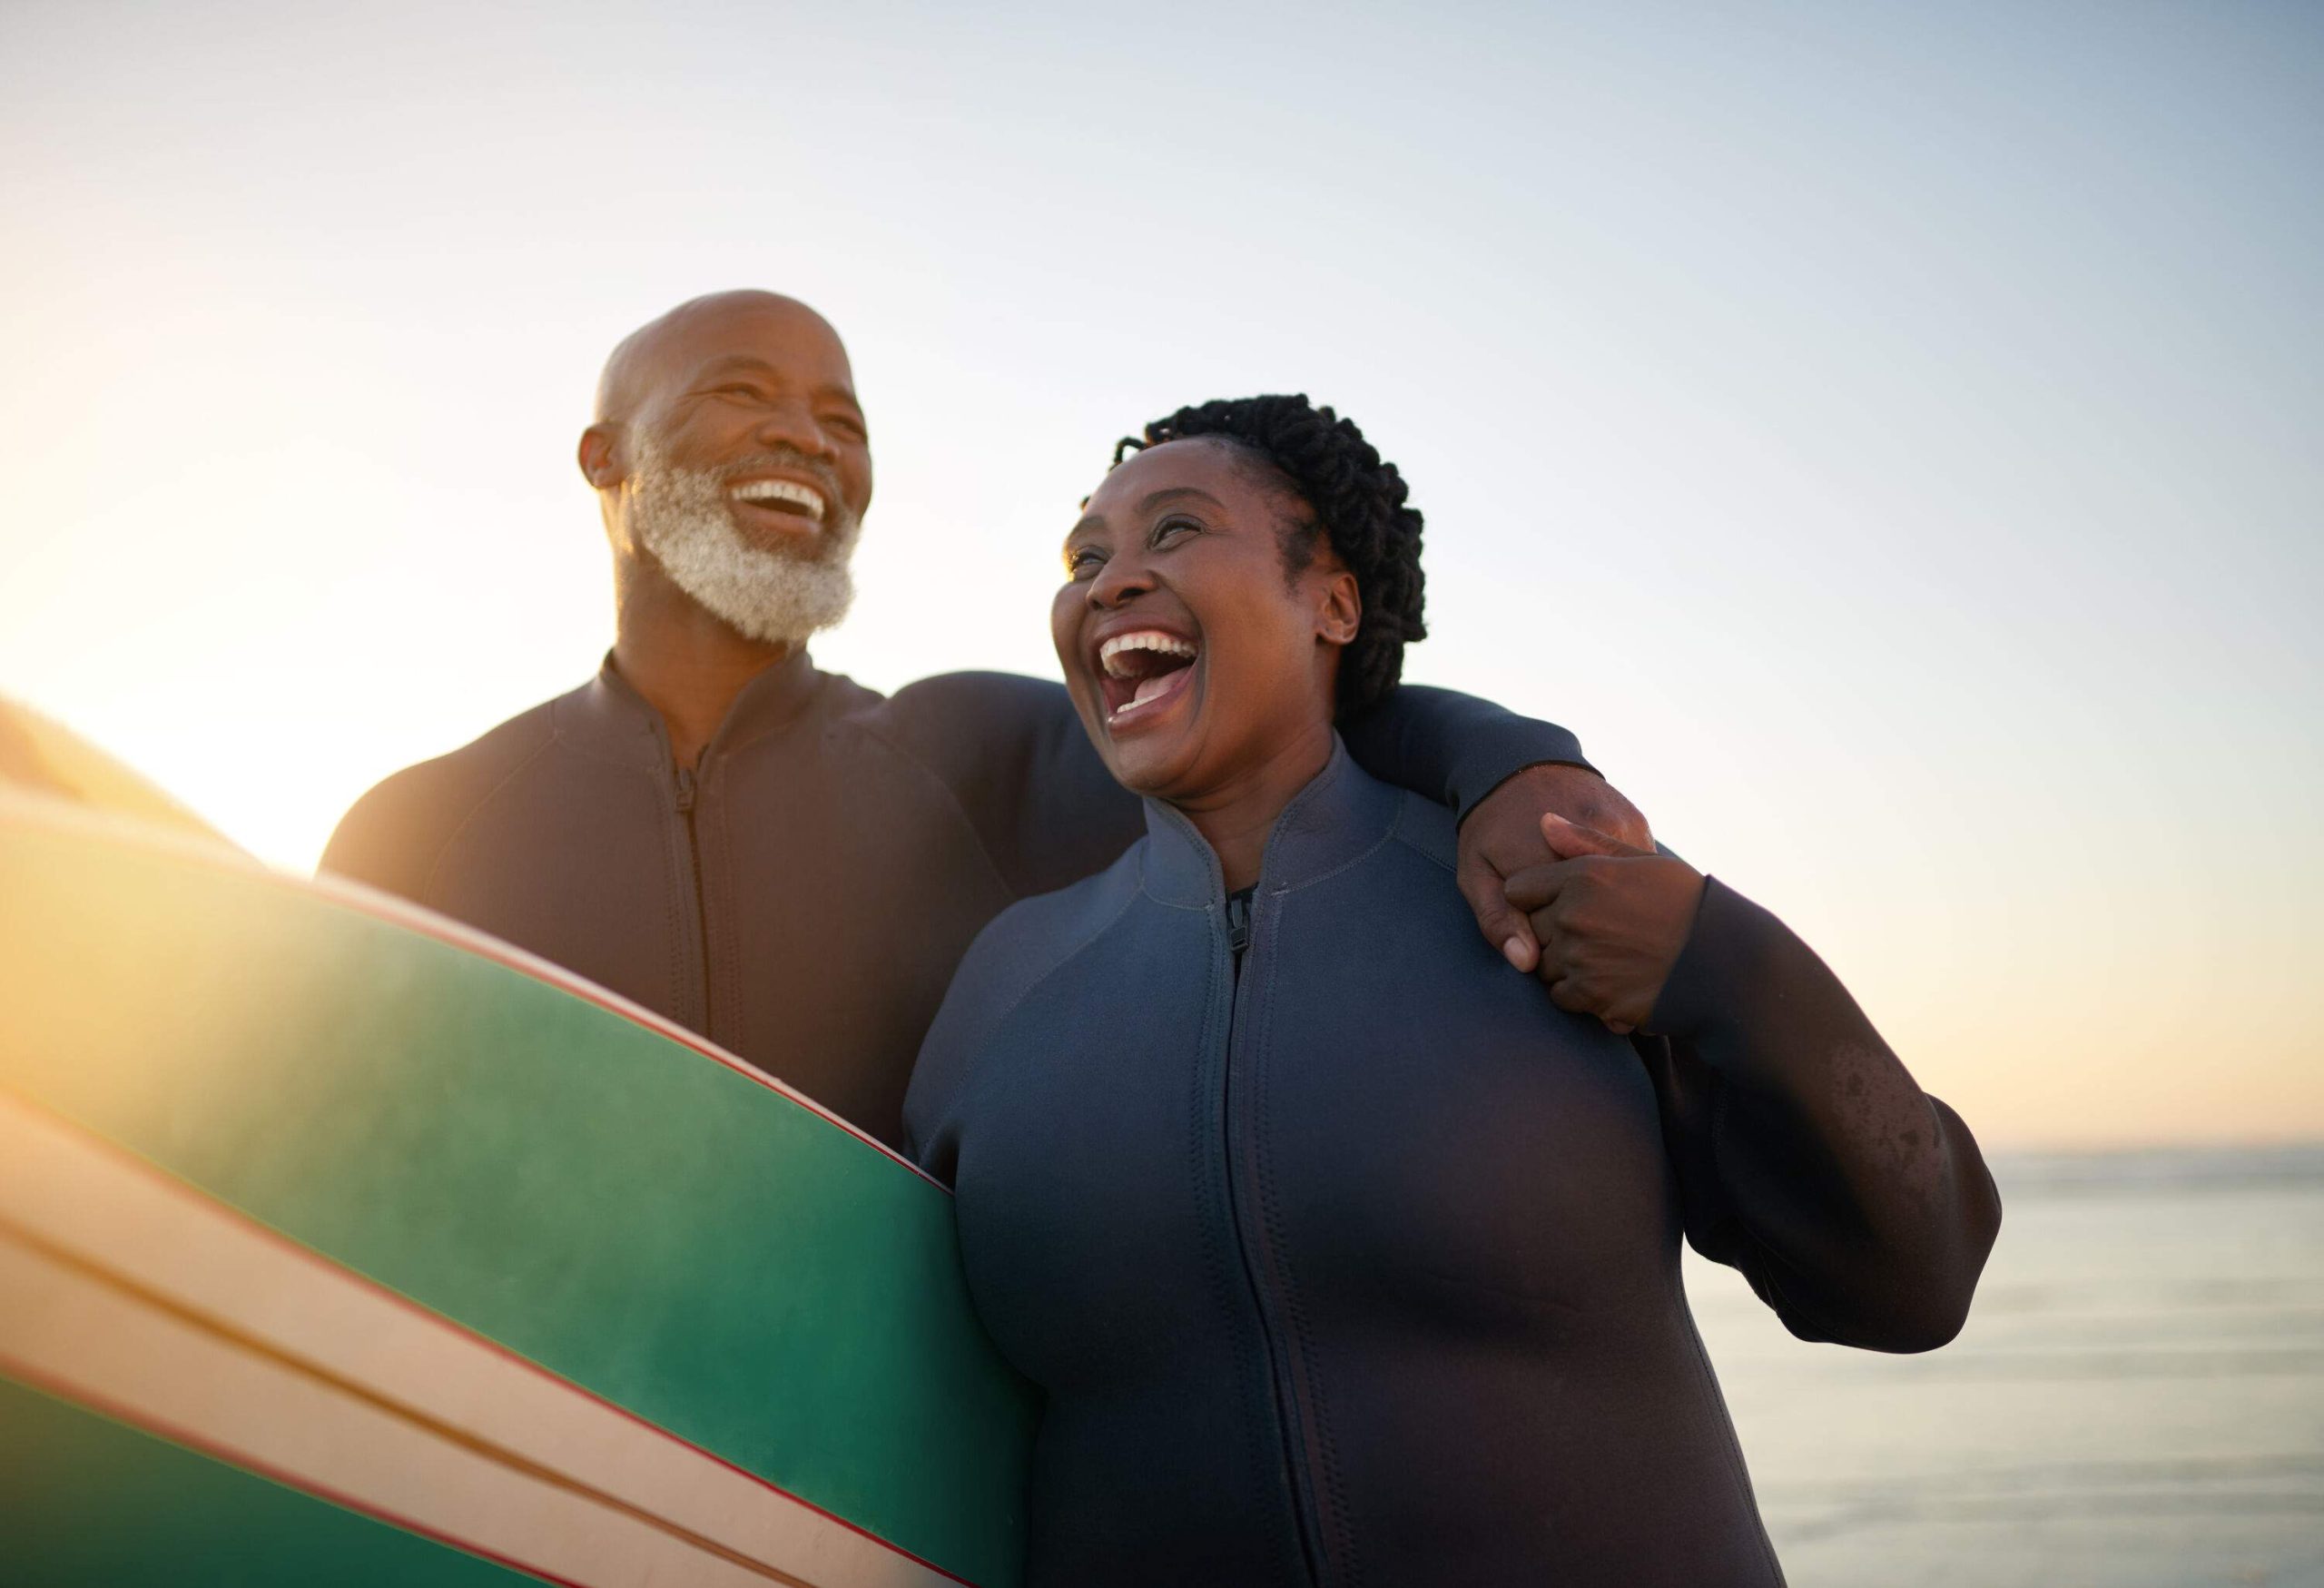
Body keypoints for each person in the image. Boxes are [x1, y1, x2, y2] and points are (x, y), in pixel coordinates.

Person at [905, 395, 2003, 1585]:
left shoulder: (1548, 897)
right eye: (1086, 556)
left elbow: (1916, 1277)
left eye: (1174, 532)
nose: (1113, 580)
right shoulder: (1004, 984)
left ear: (1333, 601)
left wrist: (1722, 958)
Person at [320, 292, 1648, 1148]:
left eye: (842, 418)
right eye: (745, 393)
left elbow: (1297, 722)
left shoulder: (974, 754)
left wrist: (1514, 765)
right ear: (605, 458)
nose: (809, 438)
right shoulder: (418, 826)